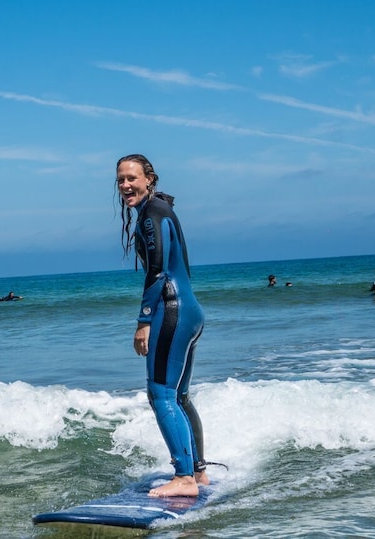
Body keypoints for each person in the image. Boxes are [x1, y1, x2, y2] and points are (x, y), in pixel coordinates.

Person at [116, 154, 208, 498]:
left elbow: (157, 270)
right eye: (120, 180)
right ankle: (198, 474)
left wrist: (143, 321)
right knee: (180, 395)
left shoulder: (152, 214)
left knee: (161, 394)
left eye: (132, 179)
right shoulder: (161, 210)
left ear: (149, 179)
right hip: (190, 311)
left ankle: (183, 478)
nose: (126, 185)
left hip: (171, 310)